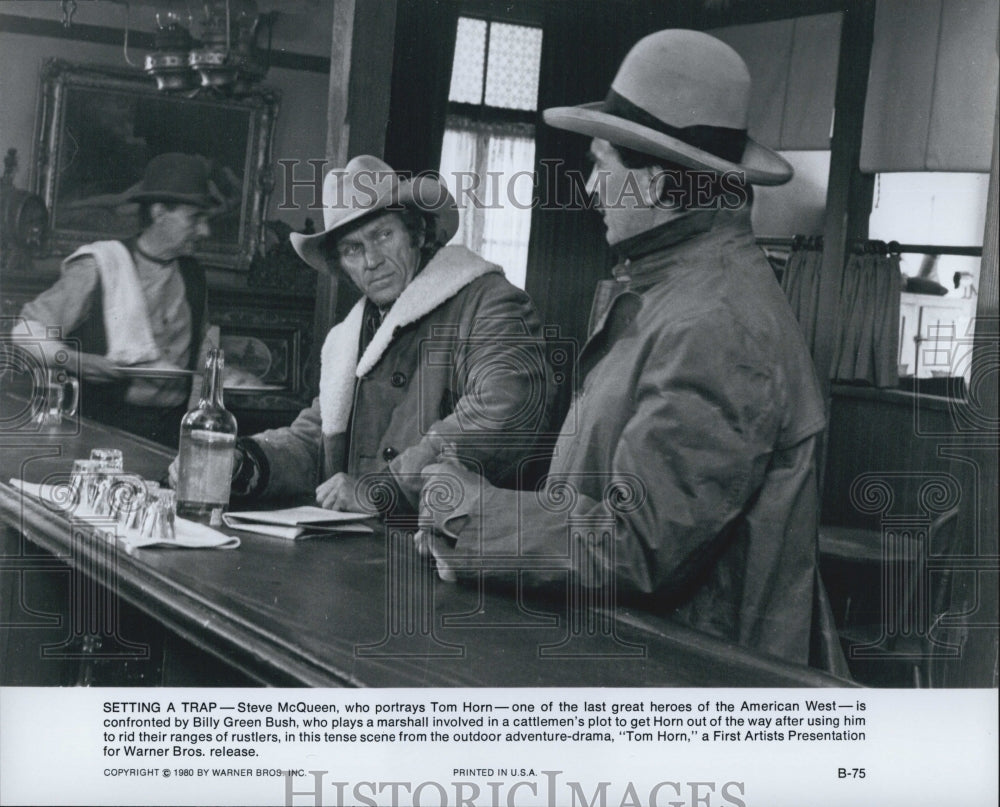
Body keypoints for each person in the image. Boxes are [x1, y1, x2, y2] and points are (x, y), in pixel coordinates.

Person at [417, 30, 847, 674]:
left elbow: (637, 545)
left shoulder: (715, 321)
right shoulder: (678, 289)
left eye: (601, 165)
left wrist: (473, 513)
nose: (589, 188)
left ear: (650, 184)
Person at [215, 155, 552, 514]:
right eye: (352, 249)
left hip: (449, 544)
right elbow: (315, 439)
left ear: (417, 234)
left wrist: (383, 490)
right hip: (365, 542)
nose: (371, 260)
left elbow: (503, 412)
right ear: (341, 265)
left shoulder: (489, 301)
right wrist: (239, 462)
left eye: (383, 235)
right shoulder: (352, 334)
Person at [16, 152, 215, 447]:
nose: (205, 231)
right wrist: (76, 361)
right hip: (101, 435)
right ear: (159, 212)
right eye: (195, 218)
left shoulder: (193, 274)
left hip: (172, 437)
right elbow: (24, 333)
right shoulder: (99, 263)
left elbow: (202, 355)